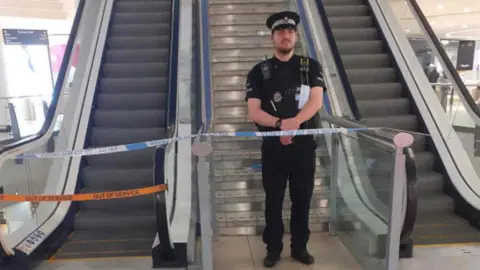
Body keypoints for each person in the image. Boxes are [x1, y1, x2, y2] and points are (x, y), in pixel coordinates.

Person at [244, 11, 325, 268]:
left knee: (302, 199)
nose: (285, 36)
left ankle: (300, 247)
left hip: (303, 146)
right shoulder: (258, 71)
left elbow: (316, 101)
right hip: (273, 147)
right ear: (272, 38)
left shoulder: (310, 66)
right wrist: (281, 125)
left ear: (296, 36)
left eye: (290, 32)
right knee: (273, 200)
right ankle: (273, 249)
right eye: (280, 32)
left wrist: (294, 123)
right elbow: (254, 111)